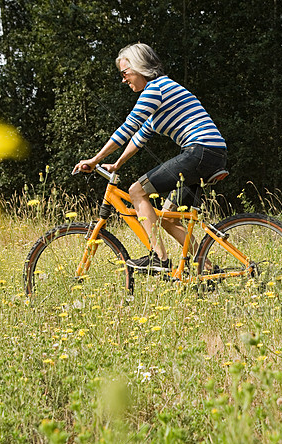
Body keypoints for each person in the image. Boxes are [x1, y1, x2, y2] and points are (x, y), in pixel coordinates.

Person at [75, 42, 227, 272]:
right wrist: (116, 163)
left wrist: (94, 159)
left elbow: (127, 128)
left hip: (200, 151)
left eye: (125, 73)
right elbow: (138, 136)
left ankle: (160, 259)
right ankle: (207, 269)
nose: (123, 79)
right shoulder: (159, 96)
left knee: (137, 191)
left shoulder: (155, 89)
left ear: (140, 68)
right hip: (210, 153)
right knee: (168, 218)